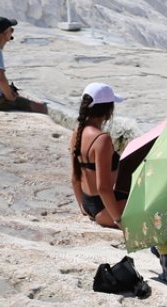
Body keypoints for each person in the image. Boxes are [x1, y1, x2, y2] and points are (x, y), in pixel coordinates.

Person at [70, 82, 126, 229]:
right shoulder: (102, 139)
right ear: (108, 110)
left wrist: (82, 207)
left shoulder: (77, 132)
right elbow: (103, 187)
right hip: (105, 209)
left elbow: (75, 177)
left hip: (88, 203)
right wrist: (118, 220)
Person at [0, 17, 47, 113]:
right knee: (38, 106)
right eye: (11, 30)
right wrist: (10, 97)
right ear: (5, 32)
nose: (12, 33)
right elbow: (0, 78)